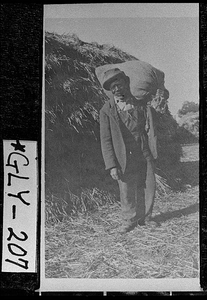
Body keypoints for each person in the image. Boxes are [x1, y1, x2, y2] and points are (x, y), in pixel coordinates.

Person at [99, 68, 157, 234]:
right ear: (110, 91)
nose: (117, 90)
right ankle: (129, 220)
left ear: (125, 83)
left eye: (119, 85)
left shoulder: (139, 103)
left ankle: (146, 218)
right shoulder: (106, 110)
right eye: (113, 88)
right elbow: (106, 139)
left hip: (143, 150)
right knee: (125, 187)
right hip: (122, 154)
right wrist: (111, 165)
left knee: (148, 184)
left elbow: (150, 126)